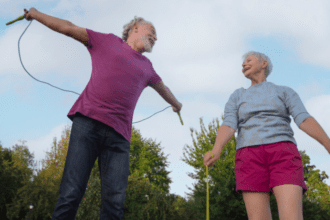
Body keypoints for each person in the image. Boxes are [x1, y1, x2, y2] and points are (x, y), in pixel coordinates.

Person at [23, 7, 330, 220]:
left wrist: (176, 103)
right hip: (88, 123)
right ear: (133, 28)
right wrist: (36, 15)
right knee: (72, 191)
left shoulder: (147, 67)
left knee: (114, 200)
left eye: (156, 36)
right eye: (150, 31)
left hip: (119, 136)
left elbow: (163, 87)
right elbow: (67, 27)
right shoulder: (105, 41)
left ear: (264, 64)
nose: (154, 37)